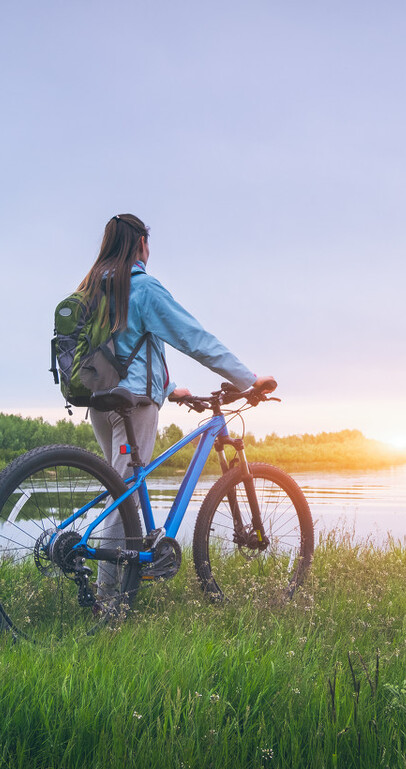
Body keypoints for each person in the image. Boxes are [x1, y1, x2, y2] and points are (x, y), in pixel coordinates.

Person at [74, 213, 274, 602]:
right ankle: (107, 600)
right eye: (148, 245)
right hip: (134, 404)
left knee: (121, 487)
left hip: (99, 401)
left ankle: (121, 579)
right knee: (125, 495)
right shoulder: (142, 287)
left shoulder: (94, 288)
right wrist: (247, 379)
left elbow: (126, 347)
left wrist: (169, 388)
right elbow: (193, 337)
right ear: (140, 246)